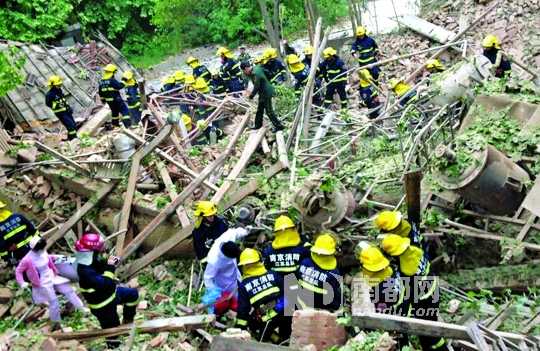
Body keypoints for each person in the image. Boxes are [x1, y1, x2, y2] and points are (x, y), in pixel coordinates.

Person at [375, 211, 448, 351]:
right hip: (431, 289)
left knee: (428, 333)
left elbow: (406, 300)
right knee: (430, 328)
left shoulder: (406, 271)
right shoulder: (413, 248)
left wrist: (400, 322)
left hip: (424, 299)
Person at [76, 233, 139, 349]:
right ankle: (113, 346)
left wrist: (110, 261)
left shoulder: (91, 259)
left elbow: (101, 265)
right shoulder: (84, 270)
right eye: (99, 251)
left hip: (111, 295)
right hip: (102, 307)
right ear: (92, 252)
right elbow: (106, 284)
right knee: (113, 333)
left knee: (133, 294)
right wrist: (110, 267)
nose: (102, 252)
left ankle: (127, 321)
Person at [16, 236, 84, 330]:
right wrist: (22, 282)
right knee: (54, 302)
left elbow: (50, 258)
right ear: (35, 248)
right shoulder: (27, 259)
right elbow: (18, 271)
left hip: (52, 276)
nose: (43, 249)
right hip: (42, 282)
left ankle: (81, 308)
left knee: (69, 290)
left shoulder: (43, 251)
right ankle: (57, 324)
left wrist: (66, 259)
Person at [236, 248, 286, 342]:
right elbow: (287, 293)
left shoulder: (244, 285)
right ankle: (280, 338)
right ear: (259, 261)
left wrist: (240, 328)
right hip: (286, 312)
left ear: (243, 266)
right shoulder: (273, 274)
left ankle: (275, 339)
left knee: (261, 342)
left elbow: (243, 310)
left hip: (268, 318)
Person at [203, 226, 250, 316]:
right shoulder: (214, 260)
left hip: (234, 279)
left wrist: (245, 231)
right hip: (221, 285)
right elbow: (207, 278)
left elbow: (235, 232)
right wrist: (215, 293)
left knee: (241, 303)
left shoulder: (227, 238)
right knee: (220, 306)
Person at [296, 233, 342, 312]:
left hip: (300, 302)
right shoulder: (334, 273)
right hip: (322, 307)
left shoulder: (304, 262)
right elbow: (335, 292)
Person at [241, 61, 284, 132]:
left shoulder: (255, 74)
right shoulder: (256, 68)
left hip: (266, 92)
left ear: (246, 68)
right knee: (260, 109)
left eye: (244, 71)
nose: (244, 73)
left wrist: (251, 96)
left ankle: (279, 126)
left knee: (269, 111)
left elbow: (256, 86)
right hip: (262, 92)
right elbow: (267, 72)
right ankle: (258, 125)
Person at [0, 201, 39, 266]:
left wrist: (11, 261)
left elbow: (2, 251)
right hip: (34, 249)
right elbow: (34, 231)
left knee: (28, 273)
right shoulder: (18, 216)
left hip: (19, 257)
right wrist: (40, 245)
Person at [45, 75, 78, 140]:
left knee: (74, 125)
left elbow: (63, 100)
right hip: (61, 113)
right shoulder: (49, 95)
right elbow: (48, 104)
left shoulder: (59, 91)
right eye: (58, 85)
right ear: (53, 86)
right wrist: (55, 105)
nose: (59, 86)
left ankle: (70, 138)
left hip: (67, 111)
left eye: (60, 84)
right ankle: (74, 139)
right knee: (70, 126)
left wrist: (68, 108)